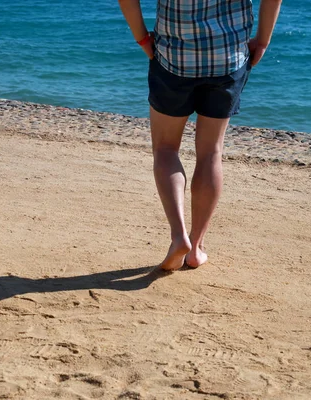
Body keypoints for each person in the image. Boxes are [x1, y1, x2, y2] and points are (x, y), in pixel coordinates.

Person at [118, 0, 282, 271]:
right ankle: (195, 247)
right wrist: (263, 41)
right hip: (228, 59)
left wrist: (142, 38)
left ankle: (178, 236)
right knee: (210, 152)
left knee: (166, 149)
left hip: (173, 58)